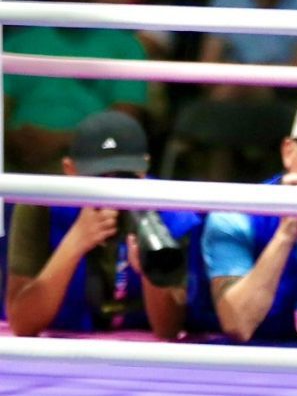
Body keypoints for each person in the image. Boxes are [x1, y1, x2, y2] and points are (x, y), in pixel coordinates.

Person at [4, 110, 199, 339]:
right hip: (62, 353)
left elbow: (169, 331)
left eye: (124, 175)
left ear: (144, 168)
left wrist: (151, 273)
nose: (111, 186)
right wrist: (74, 243)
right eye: (98, 176)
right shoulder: (39, 205)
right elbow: (22, 324)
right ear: (70, 170)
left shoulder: (171, 212)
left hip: (140, 356)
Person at [201, 92, 297, 344]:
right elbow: (238, 325)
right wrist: (285, 234)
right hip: (249, 366)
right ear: (288, 151)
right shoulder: (235, 216)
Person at [4, 0, 149, 174]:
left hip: (90, 162)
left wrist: (59, 142)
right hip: (13, 156)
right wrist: (13, 141)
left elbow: (122, 126)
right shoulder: (16, 43)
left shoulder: (127, 48)